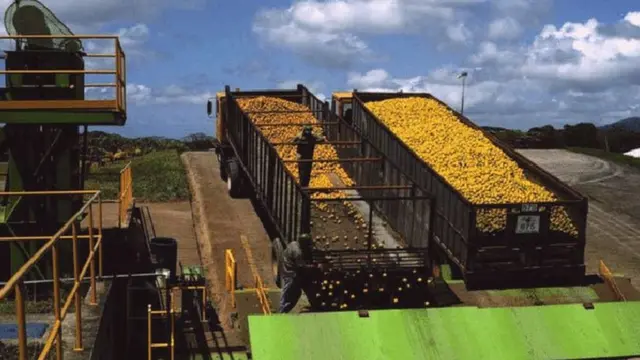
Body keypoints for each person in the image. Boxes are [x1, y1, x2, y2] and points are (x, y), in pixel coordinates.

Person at [279, 233, 313, 313]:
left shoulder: (294, 243)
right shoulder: (298, 253)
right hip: (290, 271)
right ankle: (282, 310)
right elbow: (302, 267)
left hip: (288, 264)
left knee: (297, 291)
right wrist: (317, 266)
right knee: (290, 290)